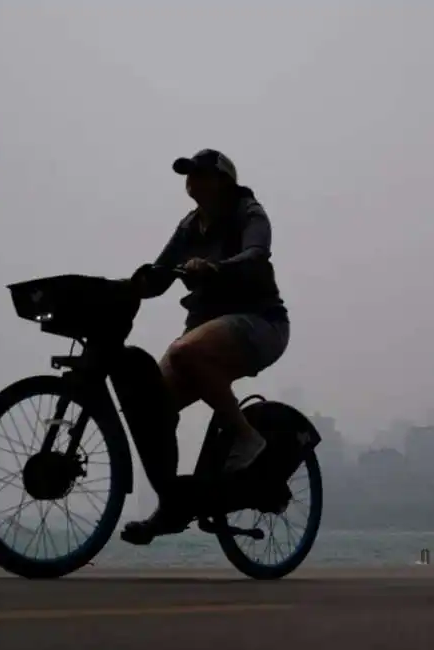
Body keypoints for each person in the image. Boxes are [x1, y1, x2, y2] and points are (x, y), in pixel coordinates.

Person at [121, 149, 290, 544]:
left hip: (259, 324)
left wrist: (216, 267)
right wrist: (128, 287)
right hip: (206, 328)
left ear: (223, 182)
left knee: (184, 352)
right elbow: (159, 278)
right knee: (152, 406)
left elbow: (256, 254)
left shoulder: (249, 212)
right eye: (188, 175)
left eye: (199, 174)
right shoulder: (189, 226)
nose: (191, 181)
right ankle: (172, 505)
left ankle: (247, 436)